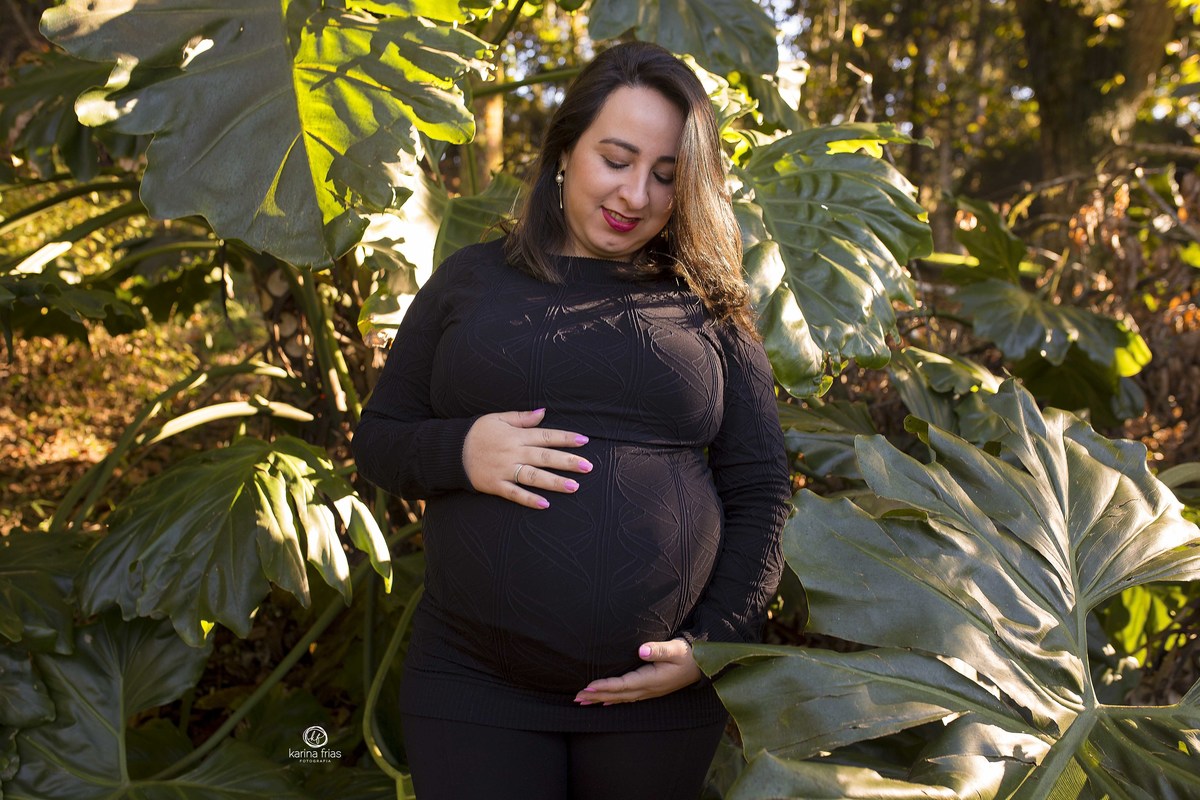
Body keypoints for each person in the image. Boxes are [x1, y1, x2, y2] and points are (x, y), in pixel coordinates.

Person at [351, 41, 792, 800]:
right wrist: (462, 450)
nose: (636, 196)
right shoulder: (471, 281)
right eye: (615, 159)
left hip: (657, 703)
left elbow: (761, 489)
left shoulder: (709, 306)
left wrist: (713, 644)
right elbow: (379, 441)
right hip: (474, 688)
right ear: (564, 150)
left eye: (666, 175)